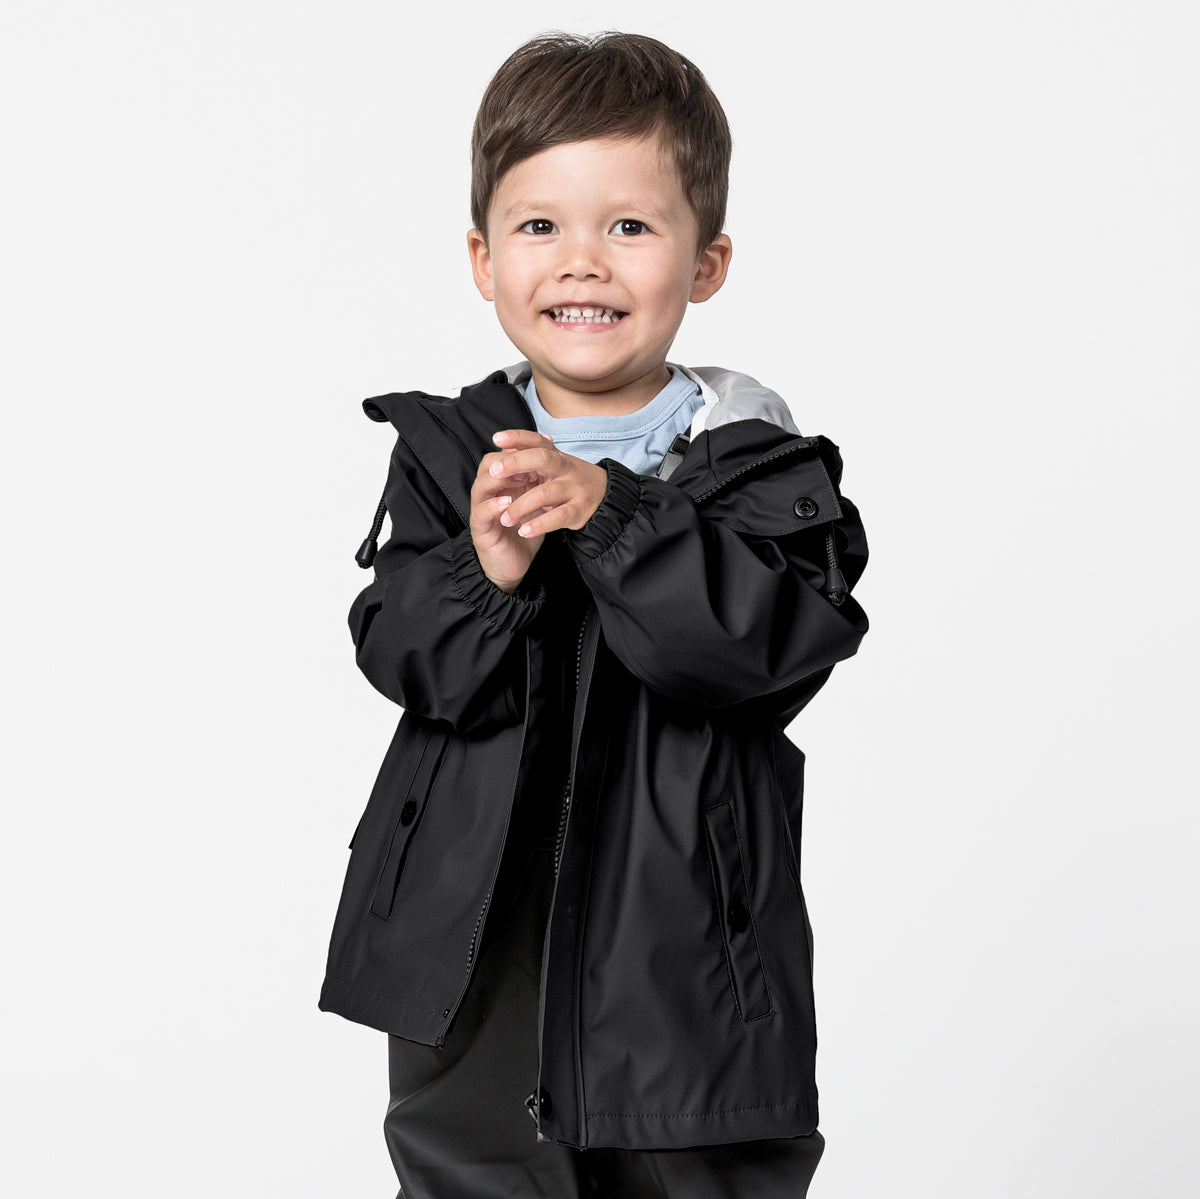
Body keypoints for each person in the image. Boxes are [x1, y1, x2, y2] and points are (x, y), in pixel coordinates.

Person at [319, 29, 870, 1199]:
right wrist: (484, 574)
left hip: (688, 979)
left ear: (707, 261)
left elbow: (759, 655)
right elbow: (404, 652)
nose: (582, 262)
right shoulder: (450, 454)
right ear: (482, 259)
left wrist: (613, 516)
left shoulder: (760, 467)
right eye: (539, 226)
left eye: (628, 226)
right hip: (475, 970)